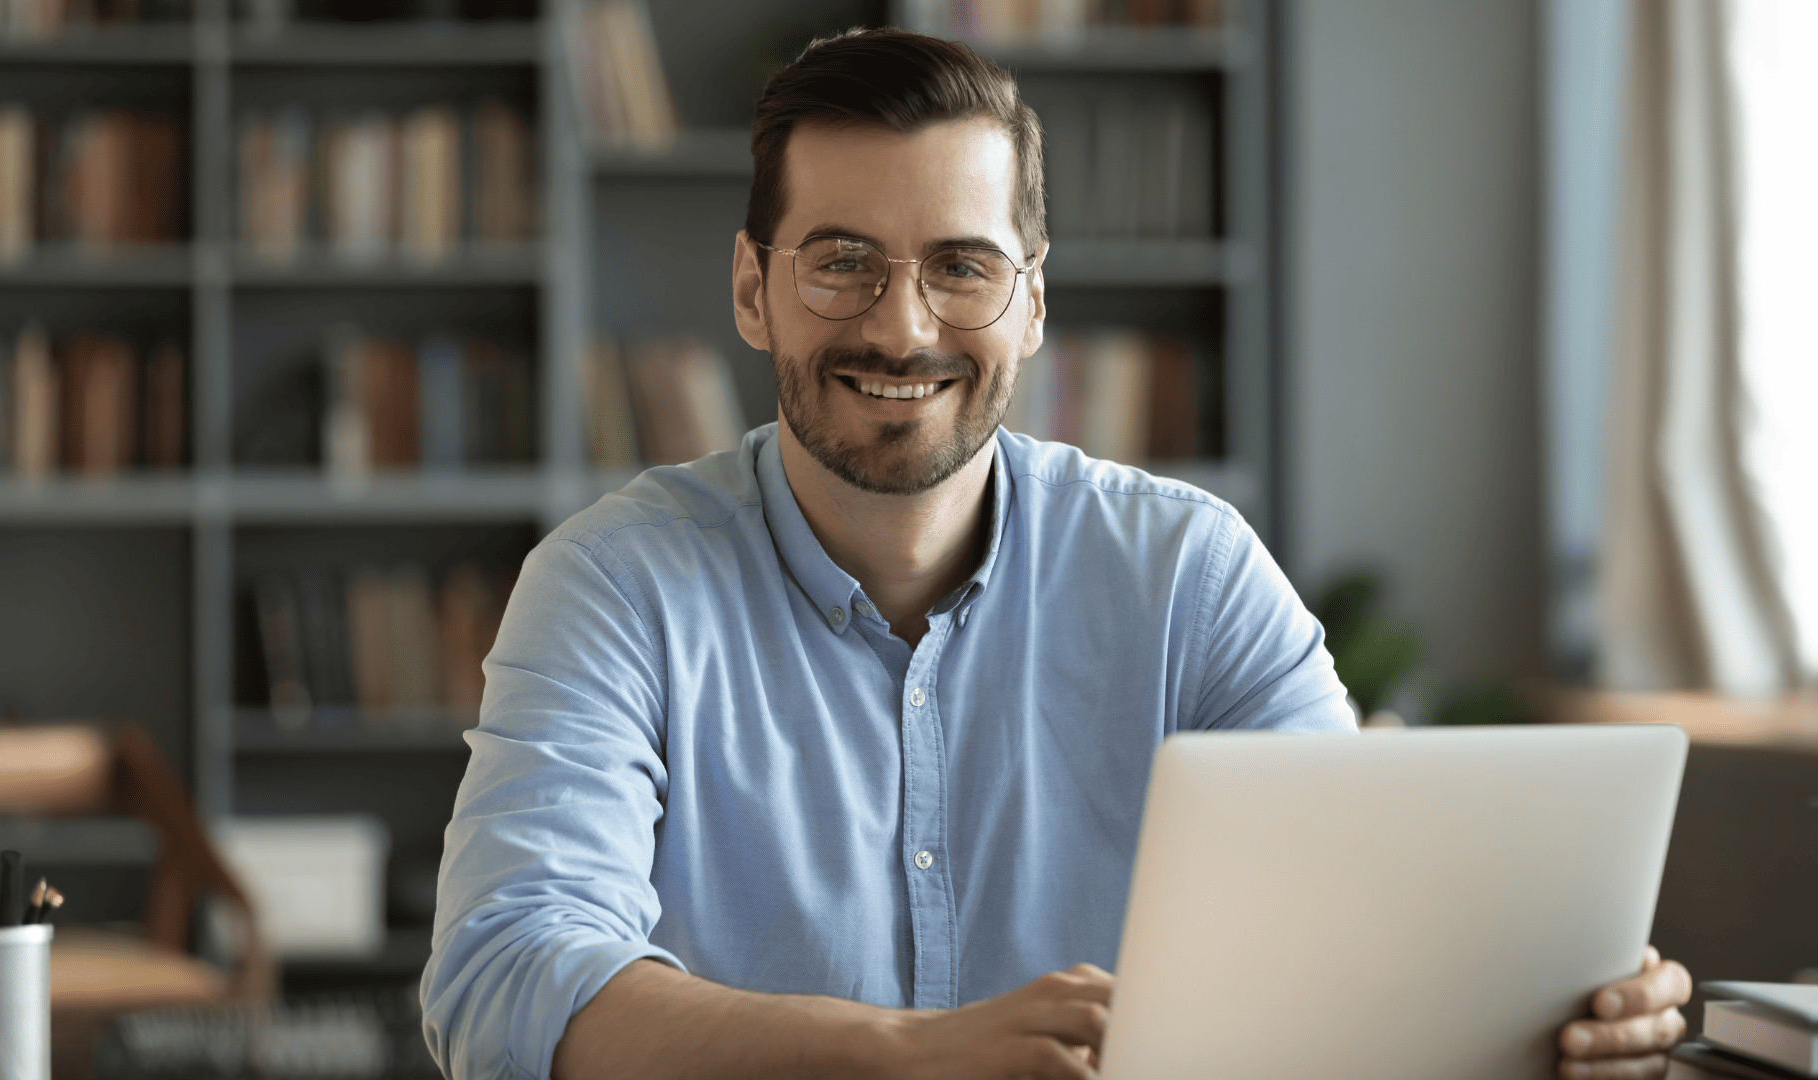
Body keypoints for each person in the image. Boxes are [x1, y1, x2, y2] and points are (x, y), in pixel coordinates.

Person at [421, 27, 1691, 1080]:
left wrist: (1561, 1010)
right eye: (841, 264)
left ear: (1032, 301)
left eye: (961, 267)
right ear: (754, 289)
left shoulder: (1188, 571)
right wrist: (911, 1055)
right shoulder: (610, 585)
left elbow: (1355, 928)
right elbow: (506, 976)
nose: (902, 325)